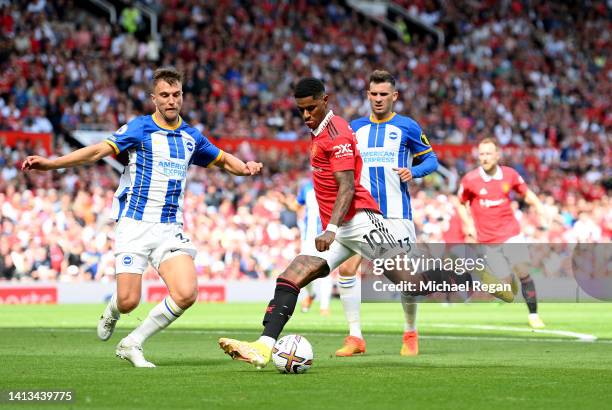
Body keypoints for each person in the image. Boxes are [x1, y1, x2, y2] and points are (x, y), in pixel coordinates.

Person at [218, 77, 478, 369]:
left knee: (412, 284)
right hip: (341, 227)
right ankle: (263, 347)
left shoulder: (337, 134)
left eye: (311, 108)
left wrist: (330, 229)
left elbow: (347, 187)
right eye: (301, 110)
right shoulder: (322, 130)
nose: (306, 115)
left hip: (361, 222)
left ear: (325, 101)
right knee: (291, 276)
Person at [22, 66, 263, 367]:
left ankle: (132, 342)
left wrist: (246, 167)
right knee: (128, 301)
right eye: (164, 95)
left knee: (187, 293)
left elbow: (222, 159)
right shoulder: (139, 128)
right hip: (134, 224)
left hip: (169, 228)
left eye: (176, 94)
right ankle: (112, 310)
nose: (171, 100)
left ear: (183, 97)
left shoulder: (190, 137)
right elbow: (98, 151)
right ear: (154, 99)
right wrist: (51, 164)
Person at [334, 70, 438, 357]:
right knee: (346, 268)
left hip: (397, 215)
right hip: (364, 214)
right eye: (373, 94)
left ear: (394, 96)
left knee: (407, 279)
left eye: (384, 94)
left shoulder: (408, 127)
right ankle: (355, 337)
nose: (378, 99)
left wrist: (413, 171)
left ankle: (410, 331)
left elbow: (432, 159)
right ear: (367, 95)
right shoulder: (354, 128)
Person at [457, 137, 547, 328]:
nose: (485, 157)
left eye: (489, 153)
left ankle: (533, 315)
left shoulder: (510, 175)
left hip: (511, 233)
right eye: (481, 154)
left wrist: (539, 206)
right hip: (488, 239)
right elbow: (460, 204)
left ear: (497, 155)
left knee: (523, 271)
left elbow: (526, 193)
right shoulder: (470, 180)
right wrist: (468, 225)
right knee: (504, 285)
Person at [296, 179, 333, 316]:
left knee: (326, 269)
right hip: (308, 237)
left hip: (327, 235)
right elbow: (297, 205)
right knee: (303, 272)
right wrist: (284, 202)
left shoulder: (334, 182)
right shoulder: (306, 187)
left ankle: (324, 307)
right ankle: (311, 295)